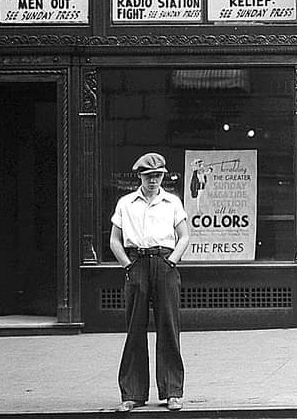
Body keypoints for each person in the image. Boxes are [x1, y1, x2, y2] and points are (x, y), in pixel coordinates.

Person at [108, 152, 191, 412]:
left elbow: (184, 236)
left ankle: (172, 392)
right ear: (140, 176)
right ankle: (132, 394)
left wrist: (172, 261)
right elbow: (114, 240)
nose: (153, 180)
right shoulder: (126, 203)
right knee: (135, 327)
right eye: (148, 176)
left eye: (158, 176)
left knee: (168, 327)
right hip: (137, 263)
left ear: (163, 176)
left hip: (164, 263)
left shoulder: (172, 202)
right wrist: (128, 265)